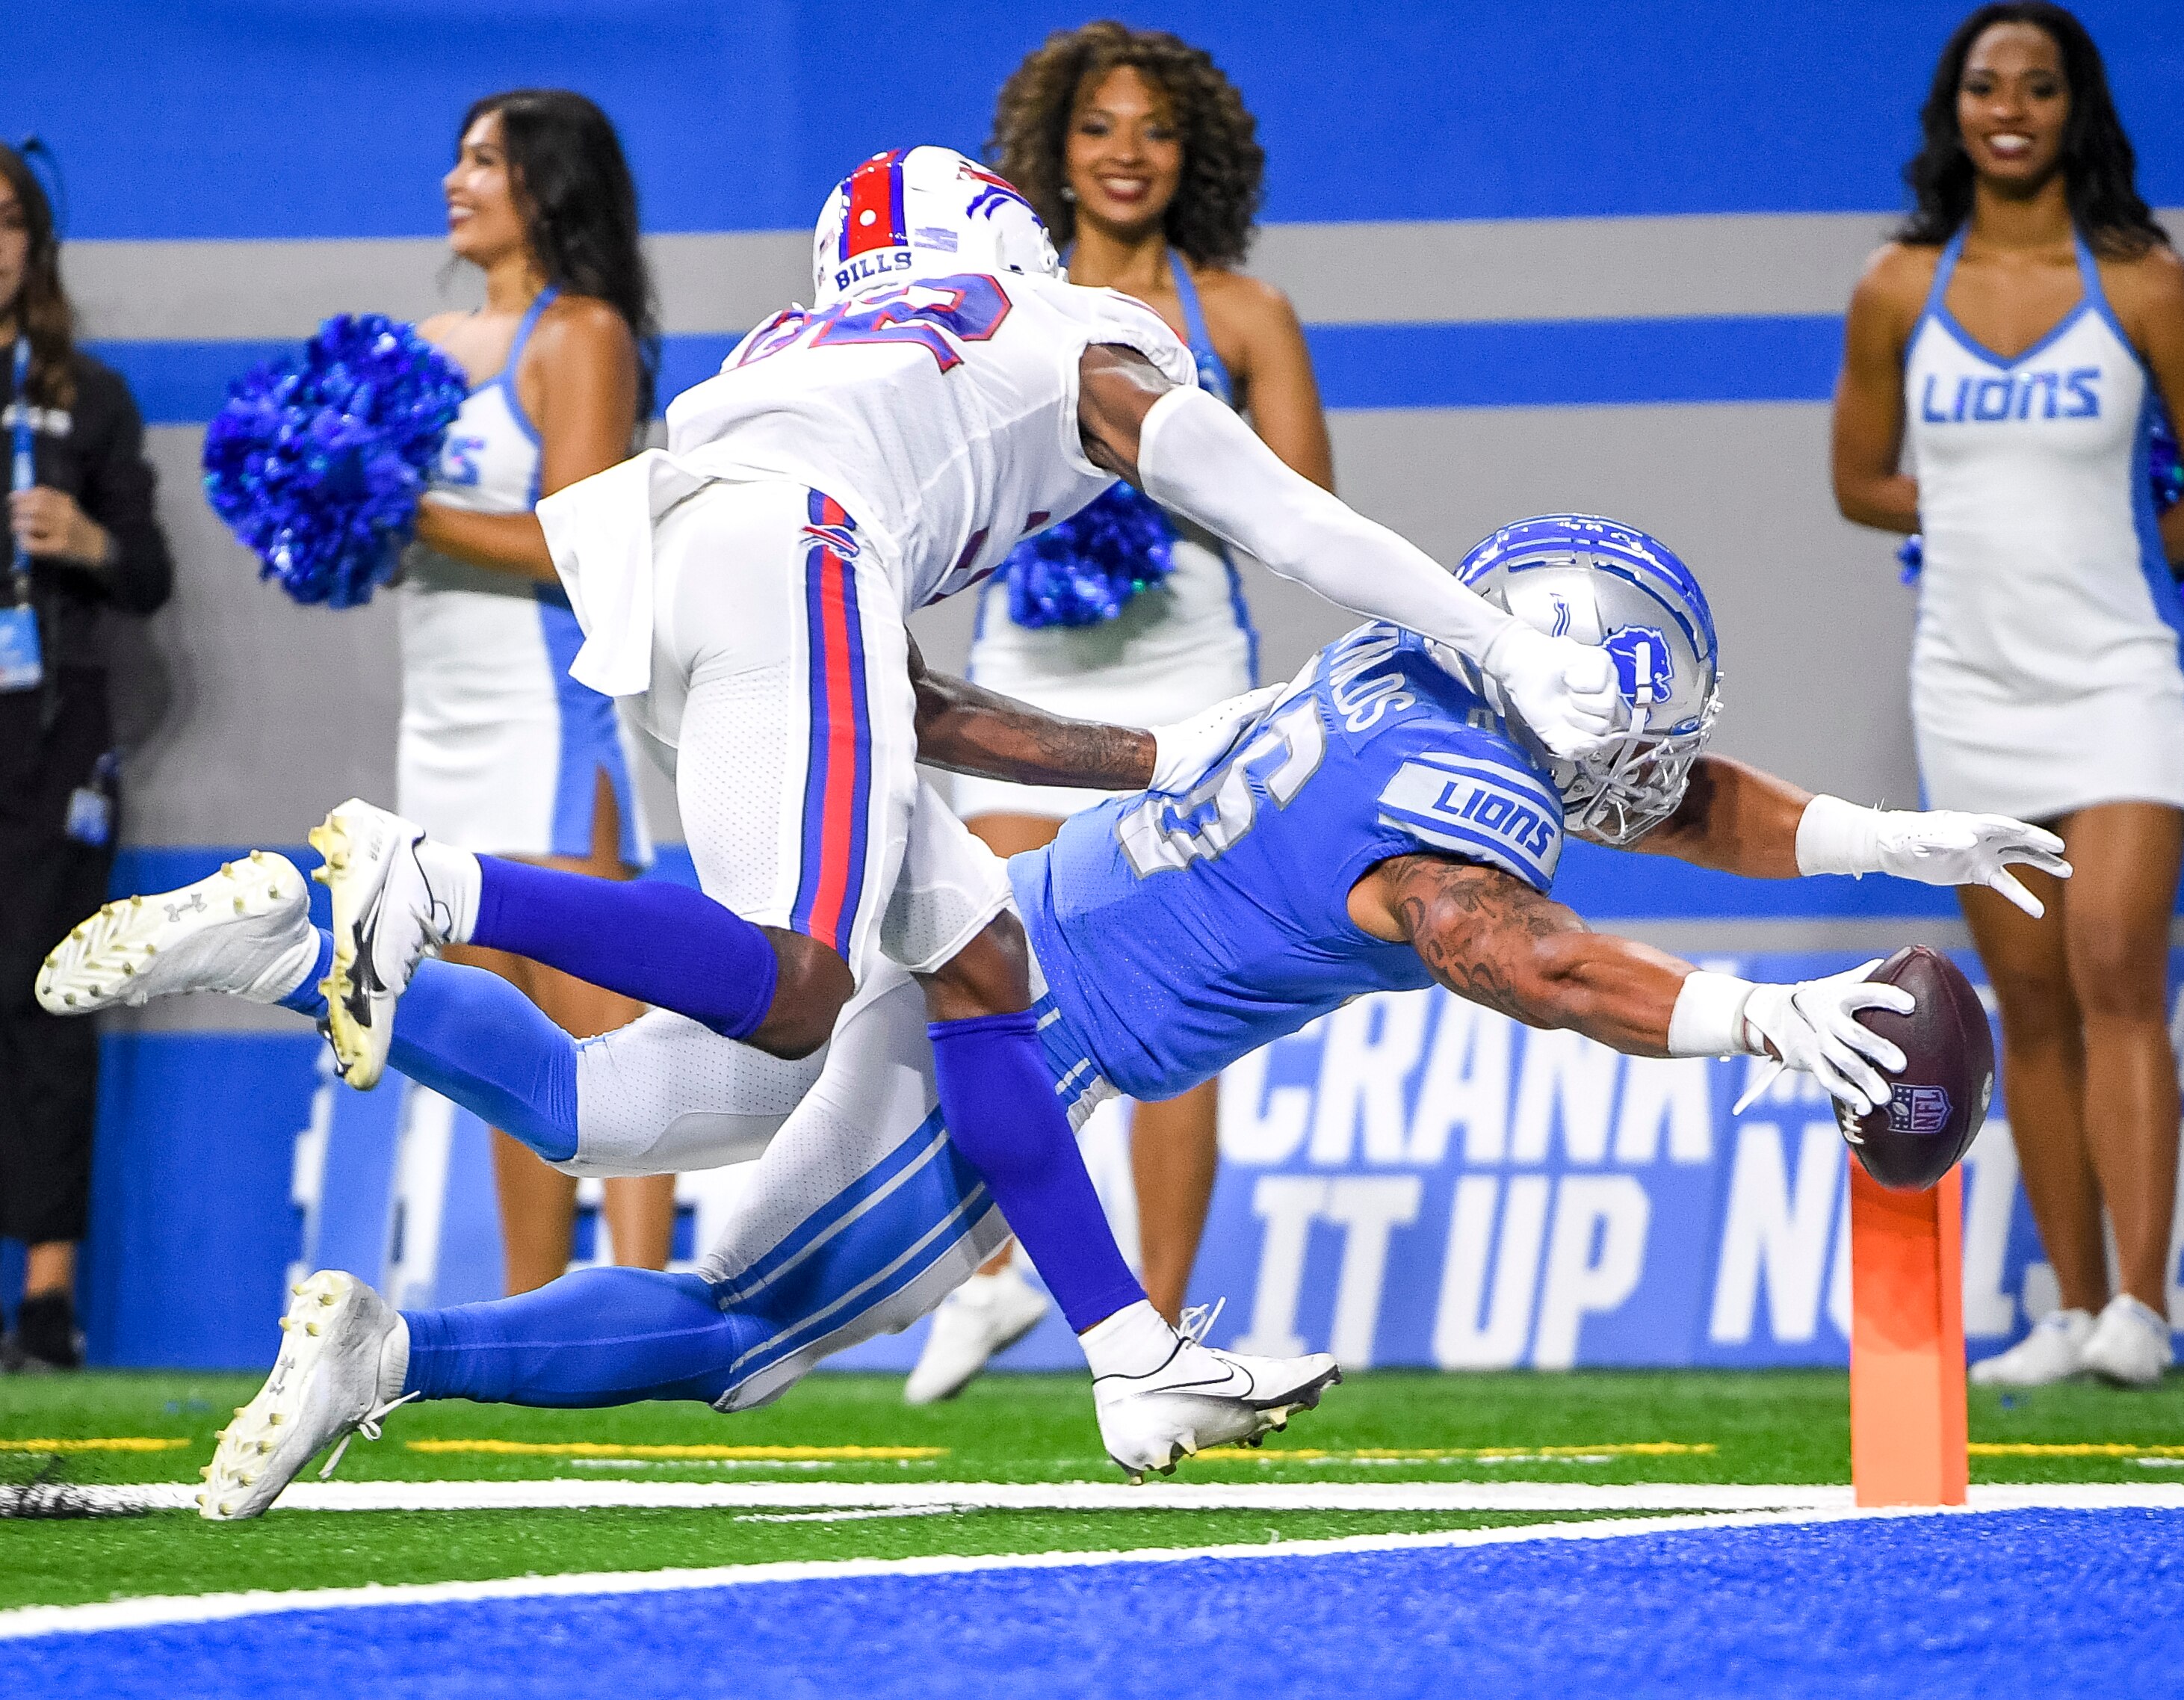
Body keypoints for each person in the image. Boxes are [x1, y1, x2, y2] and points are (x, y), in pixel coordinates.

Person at [46, 513, 2067, 1515]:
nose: (1667, 752)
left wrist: (1873, 838)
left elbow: (1652, 799)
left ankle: (335, 945)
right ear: (1580, 697)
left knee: (603, 1105)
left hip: (985, 913)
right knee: (741, 1333)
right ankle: (397, 1337)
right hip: (1019, 1036)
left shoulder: (1407, 675)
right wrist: (1740, 1018)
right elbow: (1503, 947)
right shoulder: (1461, 816)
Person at [291, 146, 1621, 1476]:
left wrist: (1161, 753)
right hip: (790, 560)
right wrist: (1495, 645)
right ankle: (441, 891)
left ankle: (1127, 1353)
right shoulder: (1061, 330)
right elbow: (1284, 512)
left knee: (984, 966)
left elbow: (904, 707)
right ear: (1004, 240)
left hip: (673, 578)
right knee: (800, 986)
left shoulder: (808, 350)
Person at [1828, 2, 2184, 1387]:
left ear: (2077, 109)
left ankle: (2144, 1310)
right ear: (1950, 110)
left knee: (2116, 974)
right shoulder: (1897, 283)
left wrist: (2105, 550)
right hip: (1968, 685)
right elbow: (1856, 480)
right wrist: (1972, 521)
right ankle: (2072, 1316)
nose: (2005, 107)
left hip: (2122, 675)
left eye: (2035, 85)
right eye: (1980, 85)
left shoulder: (2144, 283)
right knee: (2027, 1006)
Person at [909, 21, 1335, 1401]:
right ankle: (993, 1278)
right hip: (1028, 678)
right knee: (980, 960)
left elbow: (1301, 513)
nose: (1126, 152)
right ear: (1054, 155)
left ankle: (1159, 1319)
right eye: (1098, 128)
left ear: (1191, 151)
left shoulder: (1244, 318)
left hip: (1195, 683)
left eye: (1152, 128)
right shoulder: (1001, 313)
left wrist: (1163, 493)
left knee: (1183, 997)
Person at [403, 90, 673, 1291]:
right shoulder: (418, 344)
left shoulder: (583, 335)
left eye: (486, 162)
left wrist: (401, 510)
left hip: (549, 719)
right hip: (442, 721)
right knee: (496, 1030)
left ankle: (643, 1303)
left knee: (598, 1020)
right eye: (457, 158)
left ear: (547, 186)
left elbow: (578, 543)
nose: (457, 180)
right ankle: (531, 1310)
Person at [0, 143, 173, 1371]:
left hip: (49, 735)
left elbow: (151, 574)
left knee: (49, 1003)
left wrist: (89, 536)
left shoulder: (87, 396)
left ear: (35, 244)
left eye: (7, 222)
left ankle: (47, 1306)